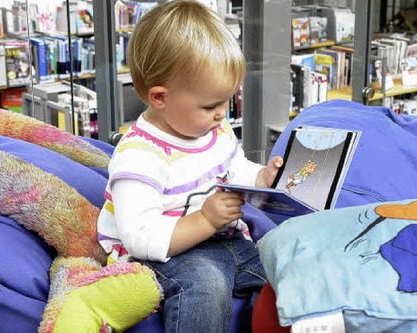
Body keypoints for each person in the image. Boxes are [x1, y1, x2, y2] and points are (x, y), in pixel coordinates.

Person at [96, 1, 283, 331]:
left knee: (282, 271)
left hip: (228, 241)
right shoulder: (140, 154)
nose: (222, 113)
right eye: (211, 105)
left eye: (227, 101)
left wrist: (262, 176)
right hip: (170, 254)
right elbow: (141, 237)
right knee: (206, 287)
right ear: (160, 98)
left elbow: (234, 168)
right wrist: (205, 219)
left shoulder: (214, 129)